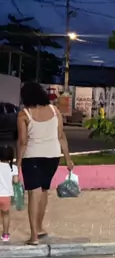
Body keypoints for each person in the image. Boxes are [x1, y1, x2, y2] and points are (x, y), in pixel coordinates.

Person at [16, 82, 74, 246]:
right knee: (43, 191)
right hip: (53, 156)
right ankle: (40, 228)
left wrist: (18, 164)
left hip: (32, 157)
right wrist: (68, 159)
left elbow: (23, 142)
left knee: (34, 194)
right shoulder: (55, 111)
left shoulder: (24, 114)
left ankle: (34, 235)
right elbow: (61, 136)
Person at [0, 145, 18, 243]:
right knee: (5, 215)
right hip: (6, 196)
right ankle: (5, 234)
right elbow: (16, 181)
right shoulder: (13, 168)